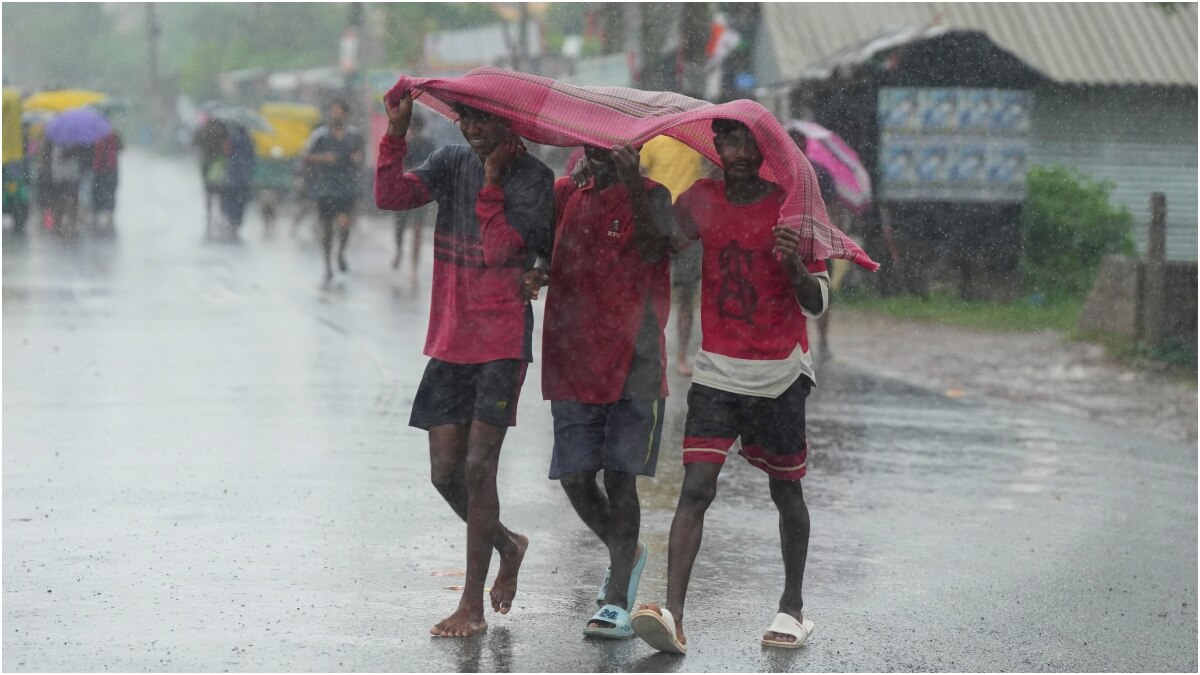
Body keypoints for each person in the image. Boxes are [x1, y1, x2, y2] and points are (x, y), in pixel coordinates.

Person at [630, 119, 830, 655]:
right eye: (730, 142)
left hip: (780, 373)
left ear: (765, 150)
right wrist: (633, 181)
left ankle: (792, 608)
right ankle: (673, 614)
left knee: (785, 490)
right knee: (696, 489)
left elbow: (817, 302)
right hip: (718, 371)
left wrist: (791, 262)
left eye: (749, 143)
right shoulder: (702, 197)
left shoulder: (793, 207)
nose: (740, 153)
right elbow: (657, 246)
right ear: (714, 146)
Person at [374, 91, 553, 638]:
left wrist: (494, 181)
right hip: (451, 337)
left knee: (479, 467)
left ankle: (471, 603)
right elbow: (389, 195)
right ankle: (507, 544)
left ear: (508, 120)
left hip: (500, 338)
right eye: (467, 117)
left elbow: (502, 250)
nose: (473, 127)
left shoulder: (534, 178)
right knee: (444, 472)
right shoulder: (451, 161)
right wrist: (396, 133)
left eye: (485, 117)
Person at [522, 144, 673, 639]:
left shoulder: (654, 195)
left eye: (617, 144)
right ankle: (624, 555)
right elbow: (543, 247)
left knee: (620, 476)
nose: (603, 152)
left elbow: (655, 251)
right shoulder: (565, 193)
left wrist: (630, 185)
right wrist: (537, 269)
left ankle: (616, 600)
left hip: (637, 359)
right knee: (575, 476)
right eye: (593, 142)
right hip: (573, 355)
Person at [639, 135, 712, 377]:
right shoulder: (655, 141)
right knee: (648, 289)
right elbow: (642, 171)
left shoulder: (696, 144)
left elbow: (711, 167)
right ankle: (648, 352)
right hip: (657, 219)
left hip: (689, 223)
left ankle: (681, 355)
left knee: (686, 293)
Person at [788, 128, 842, 360]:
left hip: (816, 242)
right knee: (789, 293)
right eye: (793, 143)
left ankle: (822, 341)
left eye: (800, 143)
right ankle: (797, 340)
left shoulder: (820, 173)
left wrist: (831, 235)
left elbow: (834, 208)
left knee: (821, 292)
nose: (797, 148)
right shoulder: (777, 172)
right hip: (788, 241)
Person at [304, 99, 364, 283]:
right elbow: (306, 157)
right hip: (326, 188)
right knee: (327, 228)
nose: (335, 114)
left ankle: (341, 253)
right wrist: (323, 158)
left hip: (347, 187)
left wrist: (357, 159)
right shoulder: (320, 136)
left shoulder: (354, 136)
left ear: (346, 115)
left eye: (339, 111)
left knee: (345, 225)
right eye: (333, 111)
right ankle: (328, 264)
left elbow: (361, 156)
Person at [391, 112, 435, 279]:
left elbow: (432, 167)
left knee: (417, 230)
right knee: (400, 229)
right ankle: (399, 251)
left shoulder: (428, 145)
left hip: (420, 194)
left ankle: (414, 266)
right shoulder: (404, 144)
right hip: (404, 192)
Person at [192, 118, 228, 236]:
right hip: (218, 163)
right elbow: (227, 145)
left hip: (207, 162)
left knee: (208, 191)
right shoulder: (222, 129)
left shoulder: (203, 129)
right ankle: (221, 214)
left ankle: (210, 213)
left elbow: (194, 143)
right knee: (220, 190)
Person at [221, 124, 256, 237]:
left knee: (230, 198)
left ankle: (230, 219)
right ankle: (237, 222)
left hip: (232, 174)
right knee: (241, 201)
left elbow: (225, 154)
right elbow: (252, 158)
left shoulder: (231, 140)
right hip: (244, 176)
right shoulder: (249, 141)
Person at [91, 130, 122, 233]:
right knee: (109, 191)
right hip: (109, 168)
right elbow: (121, 147)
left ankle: (101, 212)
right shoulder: (112, 135)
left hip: (101, 168)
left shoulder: (96, 136)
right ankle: (108, 213)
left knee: (101, 190)